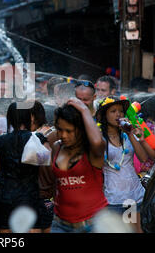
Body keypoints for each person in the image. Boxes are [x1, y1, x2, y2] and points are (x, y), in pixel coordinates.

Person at [51, 98, 108, 233]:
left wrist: (84, 110)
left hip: (92, 223)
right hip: (59, 222)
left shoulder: (93, 151)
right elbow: (56, 183)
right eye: (60, 129)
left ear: (81, 129)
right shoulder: (57, 147)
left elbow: (97, 142)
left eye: (69, 131)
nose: (63, 135)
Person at [0, 102, 48, 233]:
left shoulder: (0, 141)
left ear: (10, 119)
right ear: (30, 117)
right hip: (30, 197)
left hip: (5, 197)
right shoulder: (37, 139)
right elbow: (46, 165)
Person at [96, 96, 149, 233]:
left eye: (120, 111)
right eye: (113, 111)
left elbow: (143, 158)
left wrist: (130, 133)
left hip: (133, 195)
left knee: (135, 231)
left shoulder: (127, 135)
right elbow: (97, 164)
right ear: (104, 115)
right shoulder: (99, 138)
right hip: (112, 198)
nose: (118, 114)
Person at [30, 100, 55, 233]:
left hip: (39, 194)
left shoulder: (39, 136)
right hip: (49, 194)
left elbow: (44, 164)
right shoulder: (51, 134)